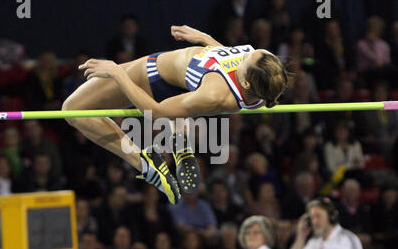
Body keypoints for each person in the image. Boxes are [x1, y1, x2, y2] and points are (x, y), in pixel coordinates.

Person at [62, 25, 289, 205]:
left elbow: (155, 110)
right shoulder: (266, 69)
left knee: (73, 110)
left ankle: (145, 164)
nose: (245, 54)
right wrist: (204, 38)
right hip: (184, 83)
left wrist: (117, 73)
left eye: (246, 60)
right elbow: (229, 57)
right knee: (184, 103)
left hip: (151, 76)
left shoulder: (215, 94)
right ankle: (180, 141)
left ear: (246, 81)